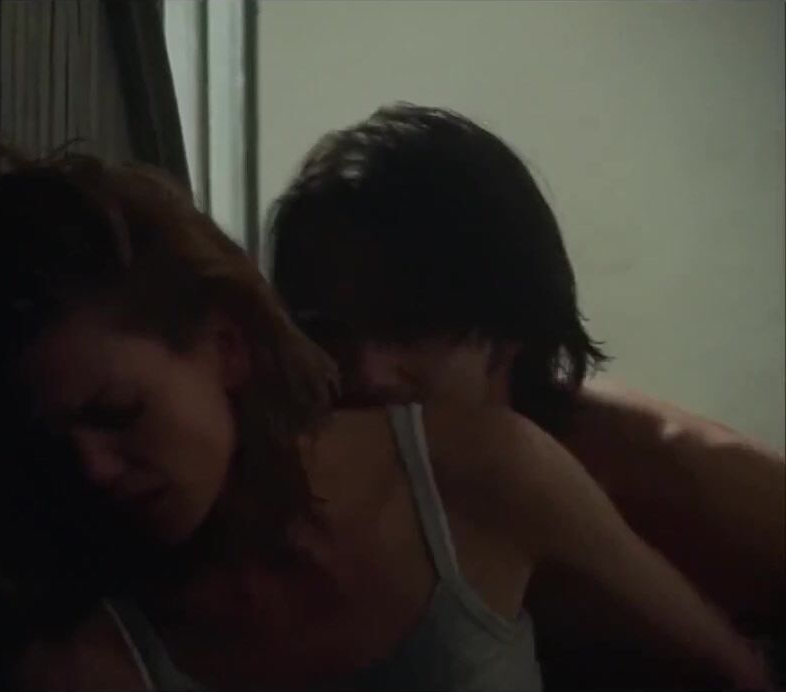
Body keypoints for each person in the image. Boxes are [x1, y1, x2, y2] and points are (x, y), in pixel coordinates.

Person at [0, 150, 771, 691]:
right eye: (329, 329)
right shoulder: (89, 654)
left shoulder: (541, 464)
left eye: (119, 414)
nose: (92, 470)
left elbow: (733, 671)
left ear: (227, 347)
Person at [267, 102, 786, 688]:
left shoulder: (667, 472)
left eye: (409, 326)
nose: (366, 372)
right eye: (326, 332)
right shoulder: (307, 494)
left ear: (510, 327)